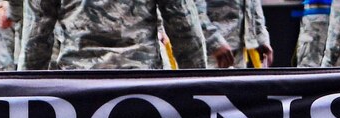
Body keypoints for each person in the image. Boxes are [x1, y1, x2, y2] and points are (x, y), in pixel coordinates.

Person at [20, 0, 213, 68]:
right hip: (141, 82)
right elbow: (183, 24)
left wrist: (23, 97)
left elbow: (37, 33)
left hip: (79, 84)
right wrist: (200, 89)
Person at [200, 0, 273, 66]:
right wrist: (214, 41)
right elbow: (193, 6)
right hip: (207, 52)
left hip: (238, 51)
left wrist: (259, 35)